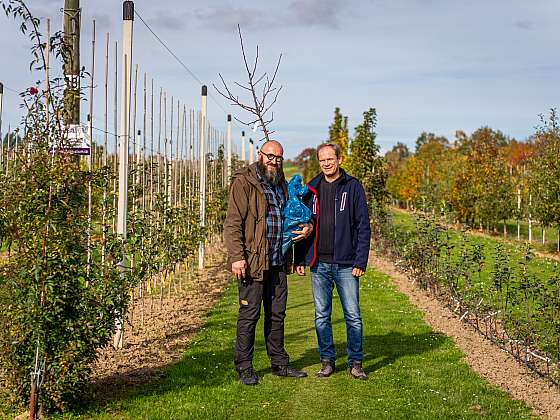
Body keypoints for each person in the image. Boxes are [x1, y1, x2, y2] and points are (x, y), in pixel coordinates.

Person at [224, 140, 313, 386]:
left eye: (278, 158)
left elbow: (290, 220)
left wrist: (307, 228)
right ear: (260, 155)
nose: (274, 161)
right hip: (252, 263)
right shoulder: (245, 182)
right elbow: (232, 223)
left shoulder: (281, 184)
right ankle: (244, 367)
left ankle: (280, 364)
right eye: (270, 156)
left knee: (277, 315)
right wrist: (237, 257)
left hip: (277, 262)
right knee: (249, 315)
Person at [295, 142, 371, 380]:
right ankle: (327, 361)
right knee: (321, 315)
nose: (326, 163)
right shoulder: (312, 189)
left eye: (330, 158)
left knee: (353, 316)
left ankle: (356, 362)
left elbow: (363, 227)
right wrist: (300, 258)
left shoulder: (353, 187)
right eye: (322, 160)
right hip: (319, 264)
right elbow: (303, 225)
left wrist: (360, 261)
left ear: (339, 159)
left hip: (347, 264)